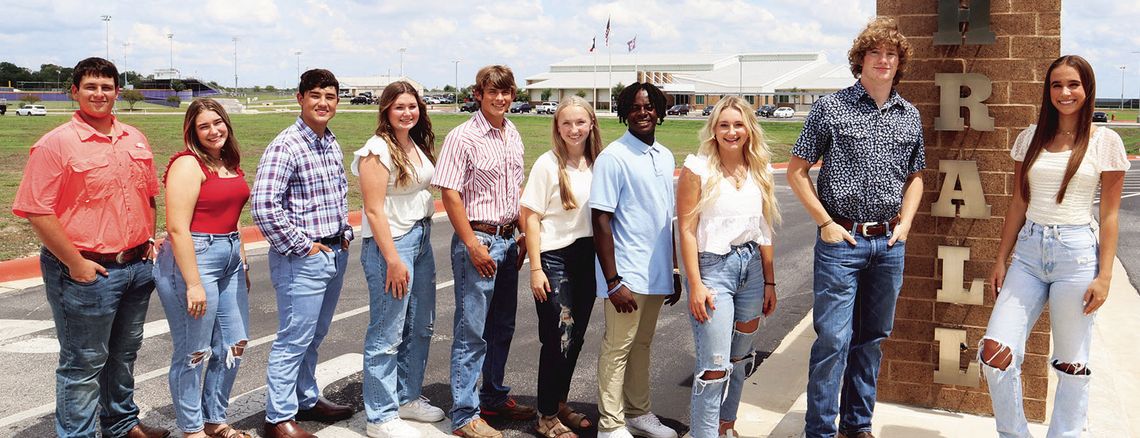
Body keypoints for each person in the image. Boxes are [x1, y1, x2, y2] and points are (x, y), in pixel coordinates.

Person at [12, 57, 169, 438]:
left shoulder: (134, 137)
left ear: (117, 91)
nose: (99, 94)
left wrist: (148, 237)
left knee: (123, 355)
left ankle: (121, 423)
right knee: (82, 364)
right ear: (75, 92)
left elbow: (148, 193)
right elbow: (36, 209)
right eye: (91, 87)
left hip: (135, 266)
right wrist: (76, 263)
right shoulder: (56, 144)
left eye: (106, 87)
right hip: (85, 273)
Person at [786, 17, 924, 438]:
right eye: (875, 53)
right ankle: (821, 431)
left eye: (891, 54)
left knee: (873, 338)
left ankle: (857, 425)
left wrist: (906, 225)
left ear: (899, 63)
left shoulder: (909, 114)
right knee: (832, 340)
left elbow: (916, 176)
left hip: (889, 243)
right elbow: (796, 171)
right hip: (841, 241)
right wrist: (825, 223)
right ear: (859, 59)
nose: (883, 60)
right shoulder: (831, 108)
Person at [980, 55, 1128, 438]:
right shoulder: (1030, 138)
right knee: (995, 354)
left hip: (1077, 255)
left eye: (1073, 85)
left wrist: (1105, 275)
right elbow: (1018, 202)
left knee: (1071, 364)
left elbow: (1110, 216)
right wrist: (1001, 258)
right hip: (1028, 255)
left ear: (1087, 89)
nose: (1065, 92)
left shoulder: (1105, 142)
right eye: (1057, 85)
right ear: (1048, 91)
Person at [431, 65, 536, 438]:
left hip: (508, 239)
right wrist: (473, 244)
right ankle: (464, 414)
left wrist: (522, 235)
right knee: (471, 330)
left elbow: (516, 191)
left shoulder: (513, 133)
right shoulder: (463, 137)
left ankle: (493, 395)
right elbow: (450, 193)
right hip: (479, 239)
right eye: (493, 92)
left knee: (502, 326)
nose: (501, 98)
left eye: (506, 92)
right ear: (479, 94)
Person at [252, 69, 355, 438]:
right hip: (303, 257)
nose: (323, 103)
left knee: (314, 334)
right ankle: (278, 418)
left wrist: (343, 232)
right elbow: (263, 206)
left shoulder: (330, 142)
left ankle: (306, 397)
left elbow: (336, 195)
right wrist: (302, 245)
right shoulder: (287, 144)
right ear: (300, 98)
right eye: (315, 95)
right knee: (294, 337)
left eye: (330, 96)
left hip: (333, 250)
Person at [677, 96, 779, 438]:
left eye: (738, 124)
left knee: (740, 361)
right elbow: (687, 231)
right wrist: (695, 284)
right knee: (714, 368)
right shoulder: (698, 168)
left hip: (751, 270)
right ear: (714, 129)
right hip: (714, 270)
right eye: (724, 125)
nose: (731, 131)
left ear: (748, 129)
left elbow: (764, 229)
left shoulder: (758, 168)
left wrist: (769, 282)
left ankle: (725, 427)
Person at [351, 81, 446, 438]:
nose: (407, 112)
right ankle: (380, 415)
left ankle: (407, 397)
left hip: (420, 237)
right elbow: (374, 211)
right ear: (386, 111)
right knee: (387, 330)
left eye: (412, 106)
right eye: (399, 107)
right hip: (391, 244)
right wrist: (392, 258)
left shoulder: (414, 145)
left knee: (421, 324)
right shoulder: (376, 151)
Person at [154, 98, 252, 438]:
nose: (214, 130)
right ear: (192, 132)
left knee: (234, 343)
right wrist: (193, 283)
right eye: (204, 126)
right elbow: (177, 228)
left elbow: (234, 215)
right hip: (194, 258)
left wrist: (242, 256)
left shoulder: (228, 161)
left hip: (228, 256)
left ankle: (215, 419)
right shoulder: (187, 164)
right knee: (194, 351)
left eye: (218, 122)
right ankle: (192, 429)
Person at [590, 82, 682, 438]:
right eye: (634, 106)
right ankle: (610, 424)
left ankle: (638, 413)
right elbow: (600, 219)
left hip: (656, 273)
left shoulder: (665, 155)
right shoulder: (613, 157)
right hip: (626, 275)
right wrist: (613, 281)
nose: (642, 112)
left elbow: (666, 219)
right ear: (624, 112)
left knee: (642, 346)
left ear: (659, 110)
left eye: (648, 106)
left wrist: (673, 270)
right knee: (617, 348)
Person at [520, 96, 603, 438]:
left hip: (587, 257)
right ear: (557, 126)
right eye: (566, 123)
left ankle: (559, 402)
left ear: (591, 124)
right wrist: (535, 268)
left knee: (576, 338)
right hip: (555, 258)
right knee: (558, 338)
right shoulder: (547, 164)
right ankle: (545, 416)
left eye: (580, 122)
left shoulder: (599, 162)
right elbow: (530, 216)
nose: (573, 129)